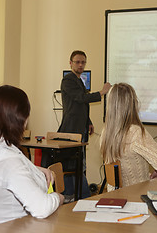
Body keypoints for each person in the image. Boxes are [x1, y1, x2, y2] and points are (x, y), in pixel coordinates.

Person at [0, 84, 64, 226]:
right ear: (18, 119)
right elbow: (42, 208)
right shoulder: (9, 163)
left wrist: (36, 169)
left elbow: (6, 171)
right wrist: (58, 197)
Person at [42, 50, 111, 200]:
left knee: (78, 163)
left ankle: (77, 194)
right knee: (73, 163)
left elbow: (81, 105)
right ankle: (75, 194)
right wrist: (102, 92)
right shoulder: (68, 80)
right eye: (77, 62)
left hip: (81, 128)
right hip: (71, 129)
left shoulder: (79, 80)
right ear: (70, 63)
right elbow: (81, 98)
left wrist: (89, 122)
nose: (80, 65)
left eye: (83, 62)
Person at [100, 83, 157, 191]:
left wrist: (147, 175)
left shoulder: (105, 134)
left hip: (116, 196)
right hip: (137, 197)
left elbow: (124, 173)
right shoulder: (135, 133)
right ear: (133, 104)